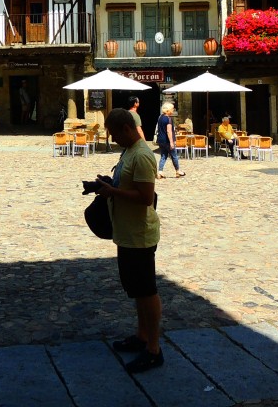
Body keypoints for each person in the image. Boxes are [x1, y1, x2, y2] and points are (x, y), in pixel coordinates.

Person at [95, 108, 164, 373]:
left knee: (147, 291)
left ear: (126, 129)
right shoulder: (128, 152)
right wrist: (106, 183)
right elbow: (128, 185)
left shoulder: (143, 155)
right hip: (126, 232)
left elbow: (146, 197)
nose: (113, 140)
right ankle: (142, 335)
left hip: (140, 235)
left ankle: (154, 349)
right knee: (136, 289)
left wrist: (112, 191)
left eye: (113, 134)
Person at [155, 102, 183, 178]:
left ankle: (160, 171)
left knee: (163, 156)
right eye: (172, 109)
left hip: (161, 140)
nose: (173, 110)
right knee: (174, 156)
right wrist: (171, 142)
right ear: (168, 110)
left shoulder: (160, 117)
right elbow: (169, 131)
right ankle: (178, 171)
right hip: (167, 141)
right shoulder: (168, 119)